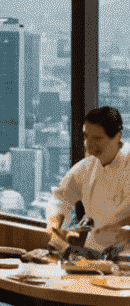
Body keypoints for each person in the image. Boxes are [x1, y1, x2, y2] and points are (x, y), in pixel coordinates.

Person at [46, 105, 129, 253]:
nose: (88, 145)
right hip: (91, 253)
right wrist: (54, 222)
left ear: (118, 136)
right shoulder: (88, 165)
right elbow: (60, 197)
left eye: (97, 138)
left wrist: (125, 230)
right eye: (86, 136)